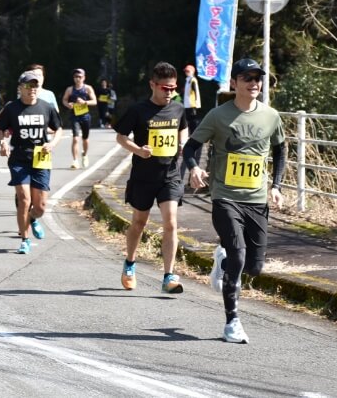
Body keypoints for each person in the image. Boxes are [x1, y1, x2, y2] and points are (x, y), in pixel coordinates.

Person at [182, 58, 286, 344]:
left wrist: (276, 185)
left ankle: (222, 260)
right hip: (225, 197)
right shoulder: (218, 116)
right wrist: (194, 168)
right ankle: (232, 322)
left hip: (256, 200)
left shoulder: (271, 116)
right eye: (247, 78)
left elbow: (280, 151)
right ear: (235, 83)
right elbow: (191, 146)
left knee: (254, 267)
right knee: (239, 254)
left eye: (258, 78)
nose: (254, 83)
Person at [114, 61, 188, 294]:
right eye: (165, 88)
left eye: (173, 88)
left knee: (171, 223)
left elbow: (183, 128)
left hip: (170, 175)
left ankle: (169, 276)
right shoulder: (138, 110)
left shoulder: (178, 108)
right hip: (143, 176)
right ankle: (129, 264)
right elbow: (121, 137)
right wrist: (138, 150)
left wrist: (183, 143)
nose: (169, 93)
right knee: (139, 222)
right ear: (153, 85)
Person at [0, 71, 63, 254]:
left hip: (41, 157)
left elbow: (59, 129)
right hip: (19, 158)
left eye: (35, 86)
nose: (32, 89)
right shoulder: (11, 108)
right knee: (24, 199)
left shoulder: (47, 107)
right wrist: (2, 143)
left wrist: (52, 143)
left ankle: (33, 218)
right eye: (27, 86)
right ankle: (24, 240)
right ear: (20, 88)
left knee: (40, 206)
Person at [61, 68, 96, 169]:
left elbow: (94, 101)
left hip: (85, 116)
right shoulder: (70, 89)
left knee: (85, 139)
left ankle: (84, 154)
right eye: (76, 77)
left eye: (80, 77)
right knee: (75, 138)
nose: (77, 79)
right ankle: (75, 160)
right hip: (74, 116)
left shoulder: (88, 88)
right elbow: (64, 100)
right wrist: (68, 105)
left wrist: (85, 102)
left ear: (84, 78)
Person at [179, 64, 202, 181]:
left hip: (192, 104)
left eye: (188, 71)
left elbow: (196, 92)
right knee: (187, 120)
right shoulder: (187, 80)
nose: (187, 72)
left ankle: (193, 135)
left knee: (193, 121)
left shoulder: (193, 80)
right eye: (186, 71)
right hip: (187, 104)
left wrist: (197, 103)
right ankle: (190, 135)